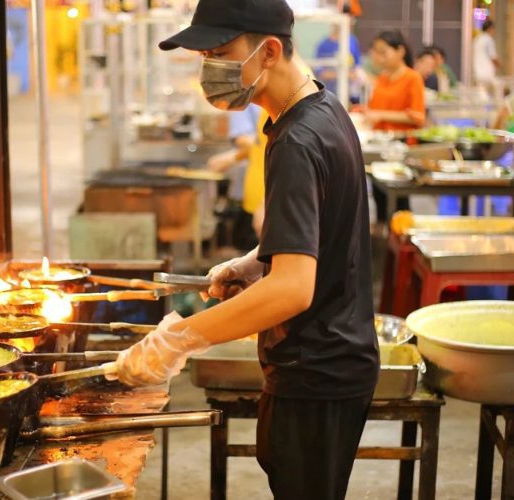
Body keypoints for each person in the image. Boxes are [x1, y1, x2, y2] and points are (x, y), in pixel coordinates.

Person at [112, 1, 380, 498]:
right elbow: (326, 232)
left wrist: (177, 340)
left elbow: (293, 292)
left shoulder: (298, 141)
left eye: (219, 53)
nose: (209, 70)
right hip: (334, 361)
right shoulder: (323, 107)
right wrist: (259, 260)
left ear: (270, 50)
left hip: (316, 368)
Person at [365, 30, 425, 220]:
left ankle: (401, 244)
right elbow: (373, 110)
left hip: (401, 149)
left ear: (400, 51)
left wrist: (381, 114)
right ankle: (384, 242)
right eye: (377, 52)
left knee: (399, 203)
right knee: (379, 199)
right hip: (379, 148)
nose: (379, 58)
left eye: (384, 52)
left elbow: (418, 117)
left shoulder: (412, 78)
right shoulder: (382, 78)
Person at [207, 104, 261, 251]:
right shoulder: (256, 105)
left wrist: (233, 157)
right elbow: (261, 143)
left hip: (270, 196)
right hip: (260, 195)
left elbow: (262, 143)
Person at [313, 5, 362, 100]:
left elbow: (357, 68)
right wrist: (344, 74)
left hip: (350, 95)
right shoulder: (323, 45)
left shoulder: (352, 41)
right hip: (328, 96)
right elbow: (320, 73)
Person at [473, 19, 501, 95]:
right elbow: (493, 57)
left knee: (482, 94)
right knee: (492, 95)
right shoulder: (488, 40)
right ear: (490, 28)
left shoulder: (477, 39)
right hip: (487, 73)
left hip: (478, 72)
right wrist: (500, 65)